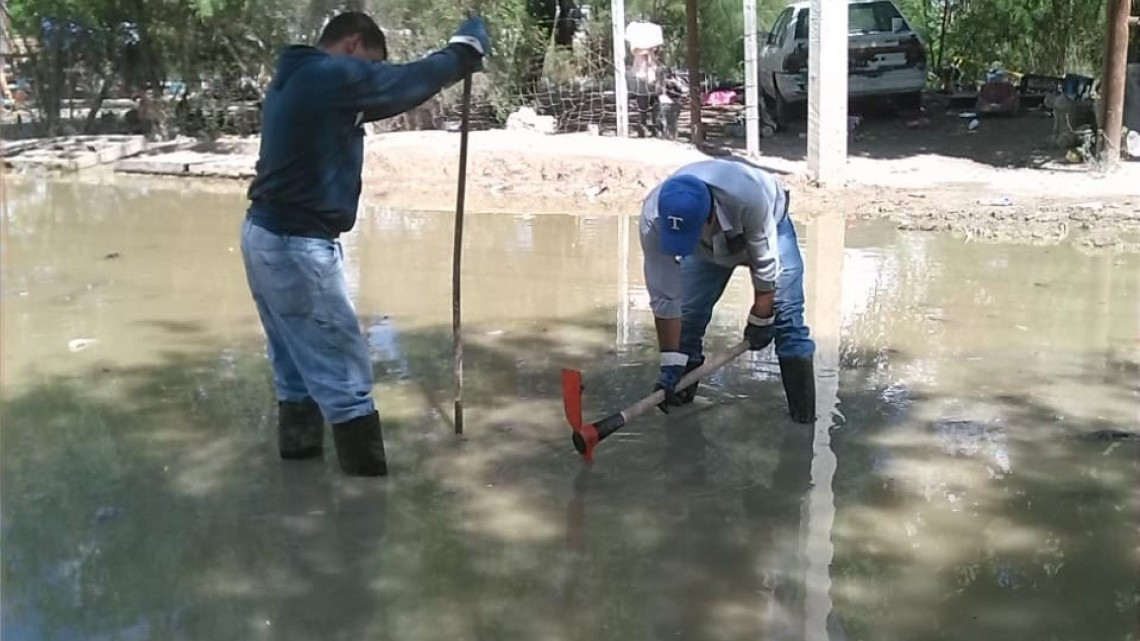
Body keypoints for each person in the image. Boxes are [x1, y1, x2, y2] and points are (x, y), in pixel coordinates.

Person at [239, 12, 491, 476]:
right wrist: (462, 54)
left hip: (266, 235)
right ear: (353, 44)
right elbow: (406, 82)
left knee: (296, 371)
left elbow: (389, 91)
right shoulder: (326, 74)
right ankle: (367, 504)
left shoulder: (298, 77)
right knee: (347, 377)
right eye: (369, 64)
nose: (368, 76)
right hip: (296, 244)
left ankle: (300, 479)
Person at [640, 159, 816, 424]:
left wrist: (761, 318)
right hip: (706, 249)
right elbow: (665, 296)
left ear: (709, 217)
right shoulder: (653, 219)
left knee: (788, 322)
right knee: (688, 320)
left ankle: (803, 424)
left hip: (769, 226)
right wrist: (669, 362)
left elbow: (766, 266)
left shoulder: (748, 199)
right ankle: (681, 415)